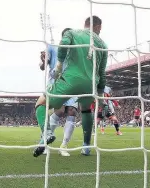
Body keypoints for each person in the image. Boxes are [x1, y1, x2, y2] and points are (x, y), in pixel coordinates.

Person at [33, 15, 107, 157]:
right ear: (97, 27)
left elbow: (64, 42)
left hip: (70, 80)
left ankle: (47, 133)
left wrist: (59, 67)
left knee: (41, 104)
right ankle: (86, 146)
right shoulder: (103, 45)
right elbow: (102, 73)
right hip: (91, 84)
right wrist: (101, 99)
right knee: (85, 110)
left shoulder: (72, 33)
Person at [39, 28, 78, 157]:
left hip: (71, 83)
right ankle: (44, 141)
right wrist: (43, 59)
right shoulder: (52, 47)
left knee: (72, 111)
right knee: (60, 111)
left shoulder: (77, 50)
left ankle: (64, 145)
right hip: (56, 82)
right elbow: (42, 67)